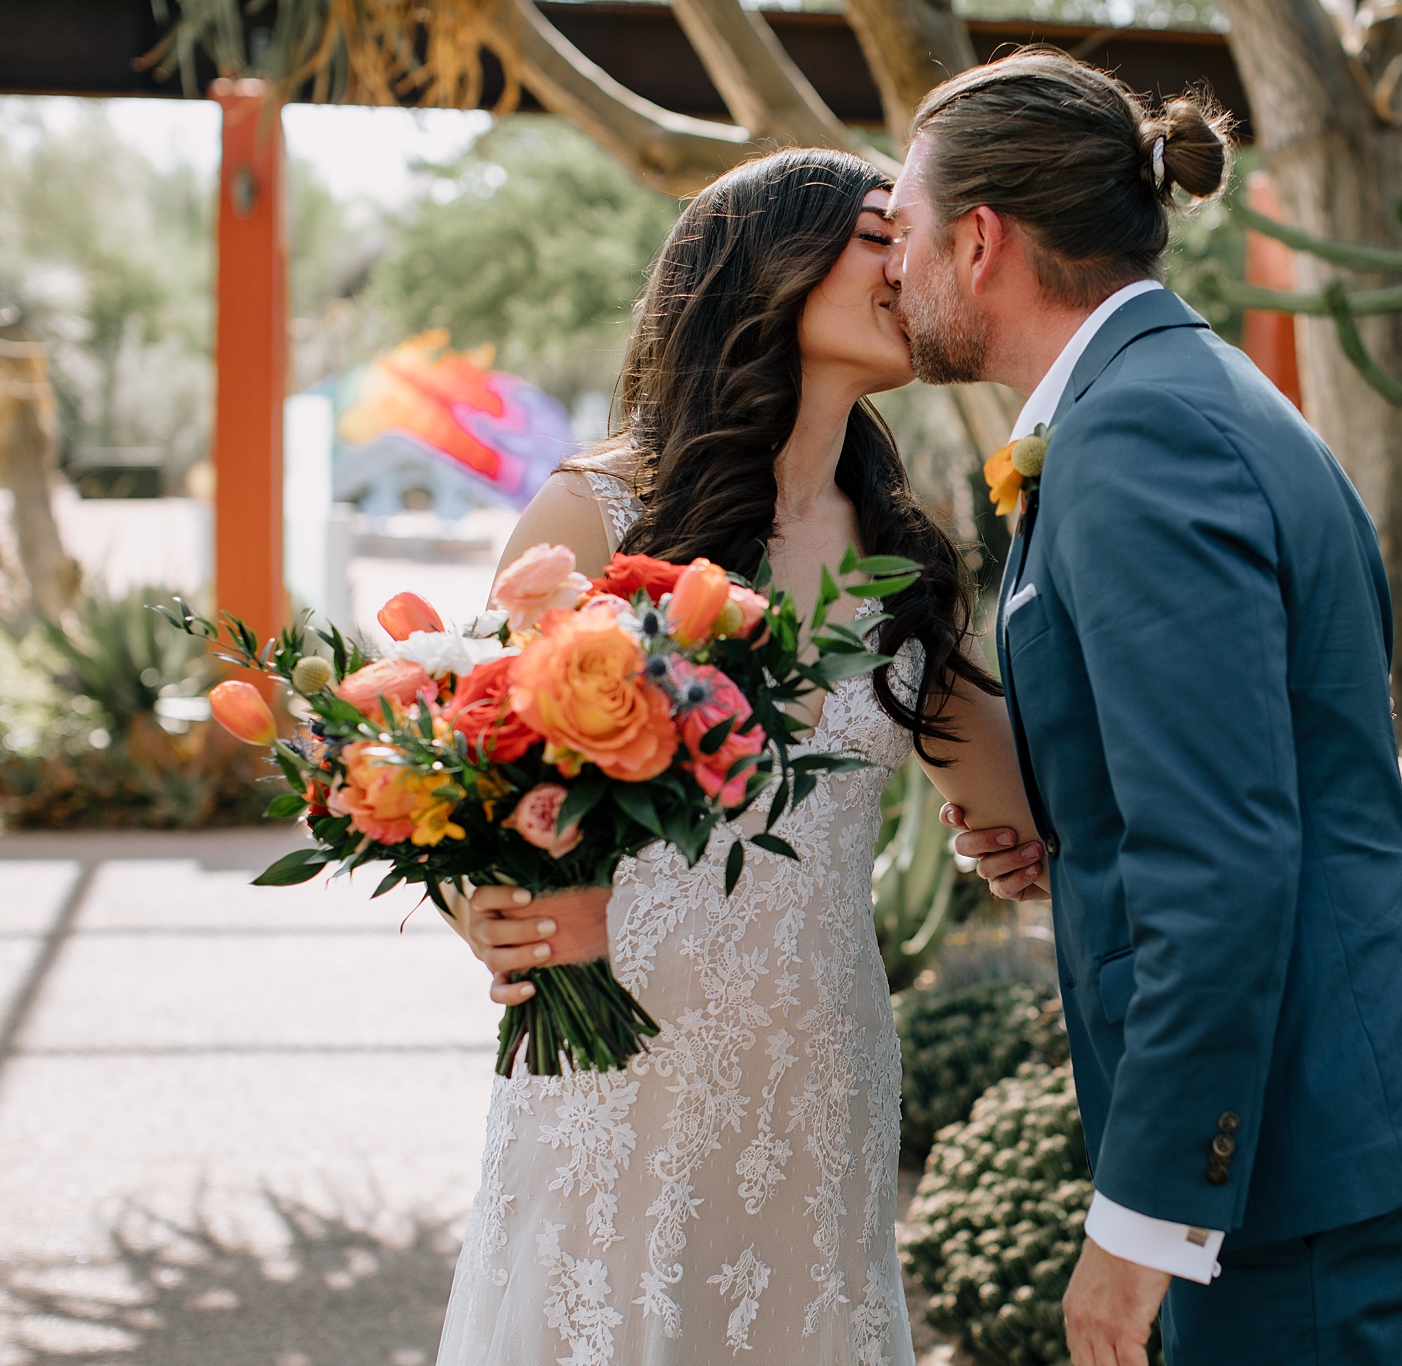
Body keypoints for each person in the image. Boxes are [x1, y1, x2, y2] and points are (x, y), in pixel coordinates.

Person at [892, 50, 1402, 1366]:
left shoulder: (1141, 438)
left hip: (1295, 1129)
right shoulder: (1161, 396)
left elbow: (1226, 854)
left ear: (978, 240)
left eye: (898, 232)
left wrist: (1141, 1228)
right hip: (1307, 1096)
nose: (886, 268)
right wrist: (1058, 819)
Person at [434, 147, 1037, 1366]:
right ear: (772, 267)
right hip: (615, 1068)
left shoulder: (903, 556)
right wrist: (479, 908)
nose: (910, 261)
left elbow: (1020, 804)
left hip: (817, 1070)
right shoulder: (594, 517)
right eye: (881, 234)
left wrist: (1017, 839)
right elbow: (467, 788)